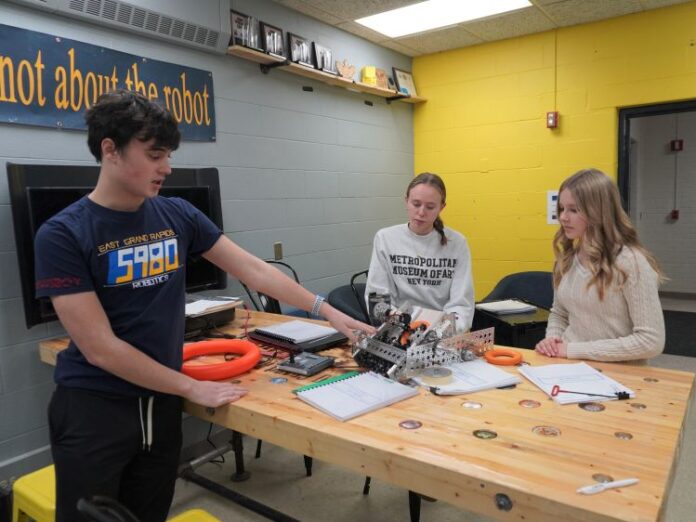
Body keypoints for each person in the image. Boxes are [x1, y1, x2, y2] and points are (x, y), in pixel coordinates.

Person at [34, 89, 374, 522]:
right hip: (95, 408)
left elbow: (255, 270)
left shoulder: (177, 214)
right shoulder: (62, 234)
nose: (166, 167)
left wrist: (326, 309)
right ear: (109, 150)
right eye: (155, 154)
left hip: (162, 403)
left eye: (168, 155)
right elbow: (100, 347)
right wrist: (191, 387)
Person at [535, 168, 665, 363]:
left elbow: (650, 341)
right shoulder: (566, 259)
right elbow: (559, 313)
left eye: (574, 209)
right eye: (562, 208)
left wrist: (572, 350)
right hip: (569, 365)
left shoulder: (631, 262)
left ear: (598, 212)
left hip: (619, 374)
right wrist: (552, 339)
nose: (563, 217)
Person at [365, 172, 474, 331]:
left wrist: (441, 331)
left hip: (441, 331)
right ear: (406, 201)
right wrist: (401, 325)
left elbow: (461, 304)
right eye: (416, 204)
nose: (421, 212)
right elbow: (378, 298)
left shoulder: (457, 243)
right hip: (398, 328)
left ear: (441, 207)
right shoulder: (385, 238)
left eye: (430, 207)